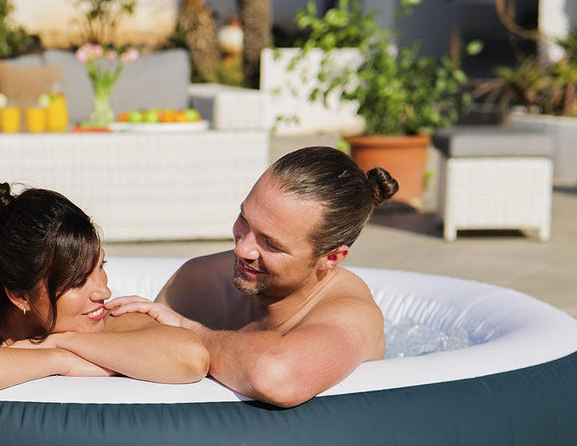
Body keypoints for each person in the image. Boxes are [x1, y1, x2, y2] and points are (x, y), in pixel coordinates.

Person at [108, 145, 392, 407]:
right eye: (244, 219)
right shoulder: (201, 280)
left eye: (270, 243)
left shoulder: (353, 314)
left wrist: (190, 332)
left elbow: (276, 375)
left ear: (330, 258)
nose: (242, 248)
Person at [0, 182, 209, 402]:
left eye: (101, 266)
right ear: (20, 296)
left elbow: (191, 358)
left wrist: (60, 341)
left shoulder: (102, 322)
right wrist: (59, 360)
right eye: (78, 282)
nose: (103, 290)